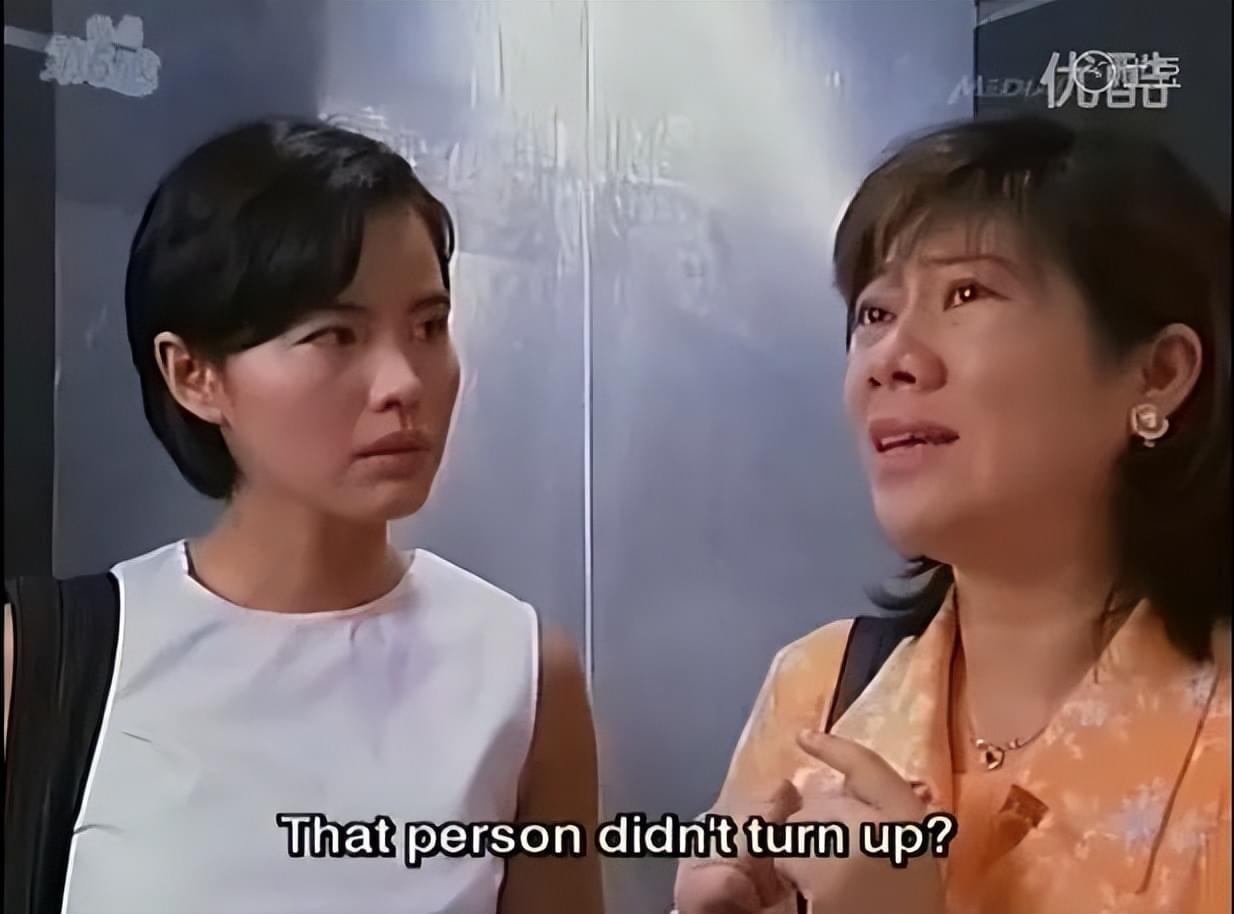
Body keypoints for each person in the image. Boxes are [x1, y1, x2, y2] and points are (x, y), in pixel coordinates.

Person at [3, 119, 604, 914]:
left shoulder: (522, 673)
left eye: (428, 327)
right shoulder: (48, 664)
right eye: (336, 336)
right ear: (193, 374)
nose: (403, 383)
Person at [675, 115, 1231, 914]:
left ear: (1159, 374)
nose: (891, 360)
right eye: (874, 313)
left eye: (967, 293)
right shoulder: (818, 689)